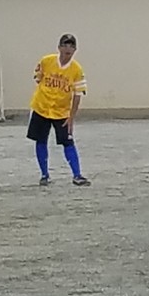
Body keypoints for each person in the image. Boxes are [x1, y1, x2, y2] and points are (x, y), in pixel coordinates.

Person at [27, 34, 89, 187]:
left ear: (75, 50)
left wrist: (71, 117)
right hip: (42, 107)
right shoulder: (46, 61)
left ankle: (77, 175)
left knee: (67, 141)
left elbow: (78, 94)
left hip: (61, 111)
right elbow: (38, 78)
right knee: (41, 140)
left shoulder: (76, 69)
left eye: (71, 46)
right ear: (59, 47)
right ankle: (44, 174)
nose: (68, 49)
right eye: (65, 45)